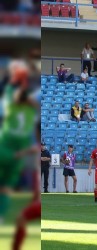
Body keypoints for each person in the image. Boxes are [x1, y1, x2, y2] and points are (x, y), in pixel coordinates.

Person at [0, 60, 38, 224]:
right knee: (6, 188)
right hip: (17, 154)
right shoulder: (31, 111)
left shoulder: (12, 107)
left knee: (6, 186)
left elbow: (10, 89)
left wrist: (16, 74)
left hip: (6, 148)